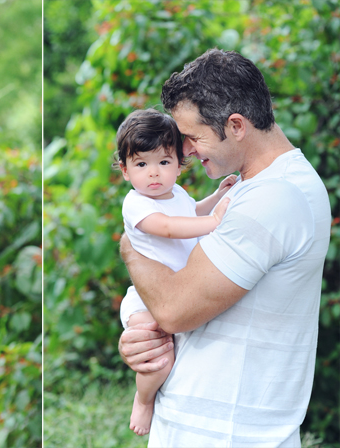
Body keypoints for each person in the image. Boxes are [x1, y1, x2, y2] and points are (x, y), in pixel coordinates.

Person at [117, 49, 330, 446]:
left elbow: (175, 309)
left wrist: (131, 248)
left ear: (236, 125)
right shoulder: (255, 189)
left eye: (193, 137)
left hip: (229, 436)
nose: (186, 152)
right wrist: (141, 339)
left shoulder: (275, 197)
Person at [114, 108, 235, 436]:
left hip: (175, 290)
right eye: (141, 164)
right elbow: (167, 227)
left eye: (164, 162)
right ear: (125, 171)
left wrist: (217, 198)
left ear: (179, 166)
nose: (153, 173)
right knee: (157, 353)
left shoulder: (176, 194)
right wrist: (213, 223)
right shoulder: (136, 204)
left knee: (170, 346)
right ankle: (143, 398)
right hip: (144, 298)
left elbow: (188, 213)